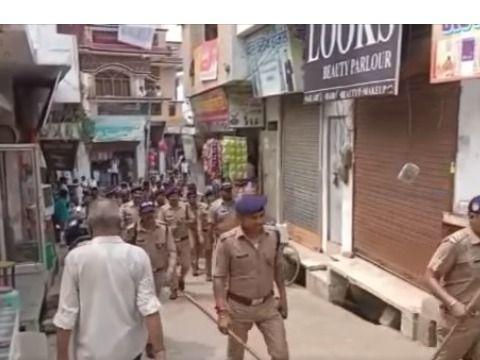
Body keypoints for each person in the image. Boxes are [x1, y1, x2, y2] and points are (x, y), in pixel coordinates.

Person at [53, 199, 166, 360]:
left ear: (89, 226)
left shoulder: (76, 259)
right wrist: (160, 351)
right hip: (129, 353)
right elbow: (149, 308)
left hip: (89, 354)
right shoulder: (137, 256)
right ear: (121, 224)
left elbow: (66, 314)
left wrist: (62, 356)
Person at [213, 194, 289, 360]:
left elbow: (277, 269)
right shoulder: (227, 242)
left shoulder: (273, 237)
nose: (260, 221)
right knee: (235, 356)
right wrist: (222, 313)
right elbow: (219, 278)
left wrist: (283, 297)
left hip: (268, 306)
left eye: (261, 215)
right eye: (254, 218)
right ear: (240, 218)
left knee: (281, 354)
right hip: (238, 309)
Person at [425, 195, 480, 360]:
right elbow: (429, 277)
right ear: (472, 217)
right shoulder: (455, 243)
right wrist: (453, 303)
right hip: (458, 321)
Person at [127, 201, 176, 298]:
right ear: (140, 215)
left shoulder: (164, 228)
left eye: (151, 212)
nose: (149, 215)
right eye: (146, 213)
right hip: (140, 274)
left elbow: (172, 251)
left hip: (158, 273)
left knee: (156, 302)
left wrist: (170, 271)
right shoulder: (132, 231)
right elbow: (126, 254)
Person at [157, 187, 190, 298]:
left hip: (184, 240)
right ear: (168, 199)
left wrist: (184, 222)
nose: (174, 200)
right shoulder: (163, 210)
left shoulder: (185, 207)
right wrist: (170, 228)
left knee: (186, 265)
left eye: (176, 198)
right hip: (171, 242)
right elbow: (160, 225)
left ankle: (181, 278)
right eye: (172, 198)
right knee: (173, 265)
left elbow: (193, 219)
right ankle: (174, 289)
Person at [186, 191, 203, 277]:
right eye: (190, 197)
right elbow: (182, 221)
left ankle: (196, 263)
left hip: (199, 229)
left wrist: (200, 234)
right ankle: (194, 268)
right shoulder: (185, 208)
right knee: (192, 248)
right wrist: (189, 222)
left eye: (194, 197)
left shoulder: (199, 207)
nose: (192, 199)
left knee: (199, 248)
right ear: (188, 199)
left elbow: (200, 220)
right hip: (189, 230)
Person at [200, 186, 216, 281]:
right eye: (208, 196)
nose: (211, 197)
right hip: (207, 233)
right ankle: (208, 274)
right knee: (208, 254)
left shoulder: (218, 206)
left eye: (212, 195)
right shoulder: (202, 209)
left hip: (216, 232)